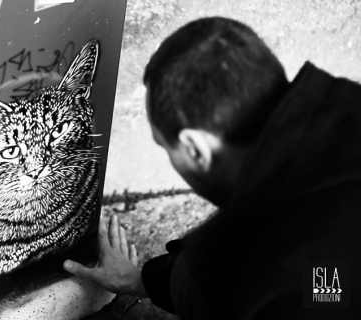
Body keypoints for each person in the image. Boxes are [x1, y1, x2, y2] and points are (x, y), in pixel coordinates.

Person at [63, 17, 361, 319]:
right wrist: (145, 280)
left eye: (164, 145)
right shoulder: (347, 105)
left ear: (195, 148)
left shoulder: (289, 289)